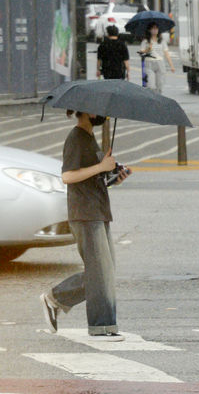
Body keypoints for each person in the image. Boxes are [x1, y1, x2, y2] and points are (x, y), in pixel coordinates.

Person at [40, 110, 131, 341]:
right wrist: (101, 167)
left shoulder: (89, 137)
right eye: (97, 110)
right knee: (100, 271)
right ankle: (101, 326)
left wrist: (113, 176)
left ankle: (57, 299)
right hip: (85, 213)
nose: (102, 114)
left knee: (104, 271)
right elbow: (68, 176)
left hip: (98, 210)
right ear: (85, 111)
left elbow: (91, 179)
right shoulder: (76, 137)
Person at [139, 22, 175, 93]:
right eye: (153, 28)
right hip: (149, 63)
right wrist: (148, 49)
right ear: (149, 30)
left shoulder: (161, 41)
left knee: (160, 85)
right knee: (151, 86)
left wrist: (171, 66)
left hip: (160, 63)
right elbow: (141, 53)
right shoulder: (145, 41)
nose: (155, 30)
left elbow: (166, 54)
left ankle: (159, 101)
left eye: (156, 28)